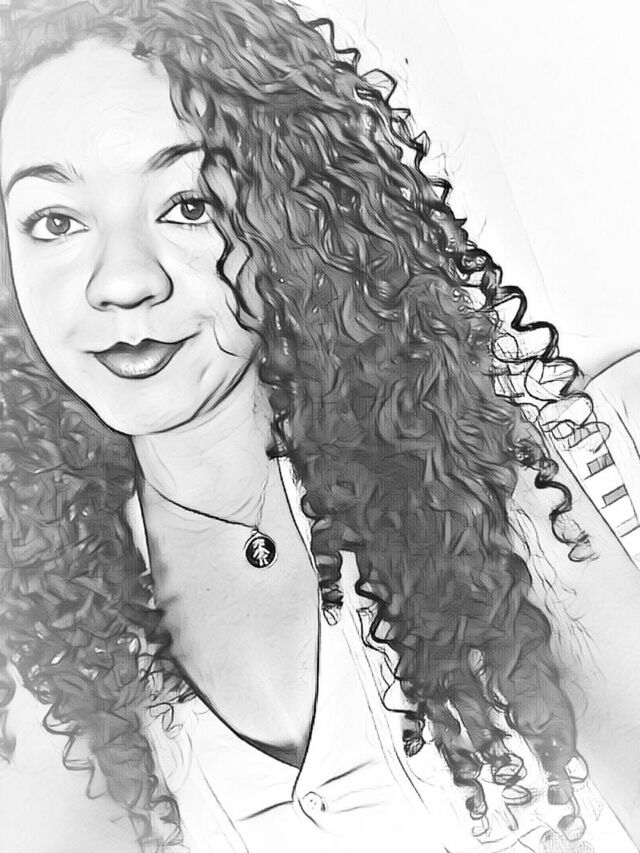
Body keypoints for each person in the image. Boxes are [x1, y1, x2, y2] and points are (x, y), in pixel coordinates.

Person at [0, 1, 639, 851]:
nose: (121, 281)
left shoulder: (473, 478)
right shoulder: (50, 615)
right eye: (54, 222)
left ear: (290, 212)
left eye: (187, 204)